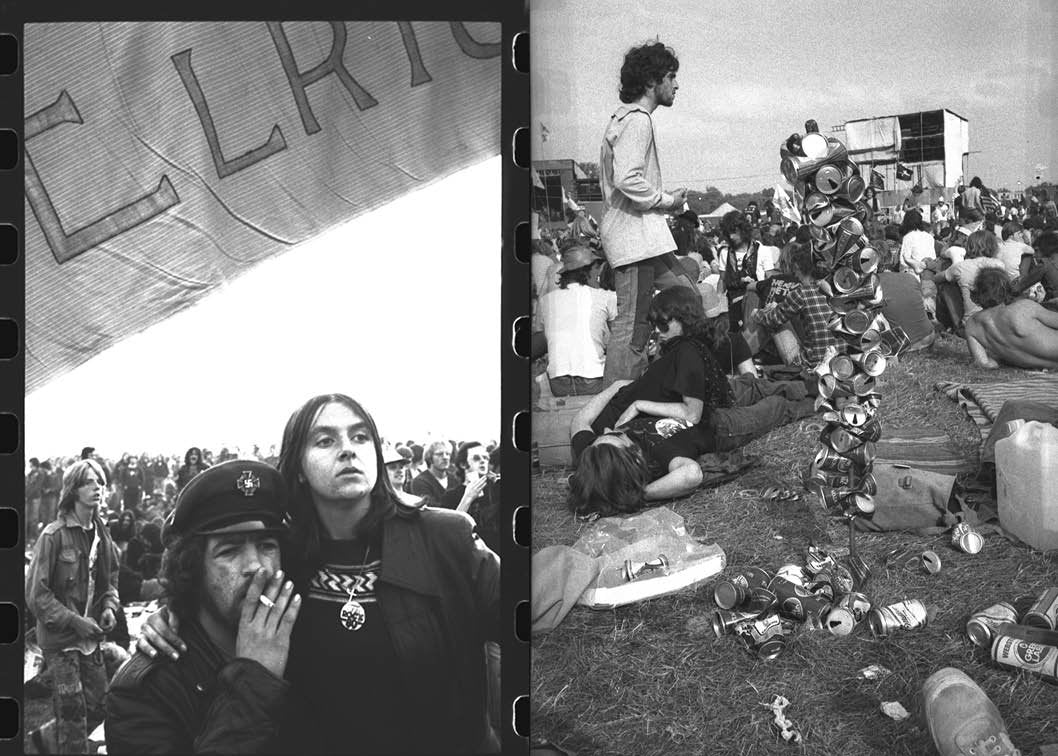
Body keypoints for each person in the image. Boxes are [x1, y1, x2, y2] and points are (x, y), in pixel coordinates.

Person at [139, 394, 501, 753]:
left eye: (360, 437)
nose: (348, 449)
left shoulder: (445, 539)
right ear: (297, 467)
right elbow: (224, 595)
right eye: (325, 441)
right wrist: (175, 613)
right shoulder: (285, 560)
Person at [106, 460, 300, 753]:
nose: (256, 566)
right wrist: (253, 682)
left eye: (267, 545)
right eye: (230, 550)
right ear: (193, 571)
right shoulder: (143, 693)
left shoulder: (307, 638)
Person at [567, 287, 814, 517]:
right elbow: (691, 474)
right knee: (774, 408)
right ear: (633, 457)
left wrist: (614, 388)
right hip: (719, 428)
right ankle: (818, 400)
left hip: (701, 406)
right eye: (616, 437)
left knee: (751, 387)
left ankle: (814, 384)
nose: (610, 429)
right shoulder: (658, 453)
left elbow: (579, 421)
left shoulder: (595, 454)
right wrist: (640, 494)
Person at [598, 40, 698, 384]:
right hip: (634, 237)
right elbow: (627, 179)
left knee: (689, 296)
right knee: (633, 324)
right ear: (652, 81)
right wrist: (668, 201)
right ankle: (613, 404)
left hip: (644, 237)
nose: (676, 84)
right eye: (671, 76)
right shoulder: (638, 120)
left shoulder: (626, 118)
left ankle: (681, 378)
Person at [25, 458, 120, 754]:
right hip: (61, 638)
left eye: (101, 482)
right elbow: (37, 596)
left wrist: (108, 607)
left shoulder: (102, 533)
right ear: (73, 489)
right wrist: (75, 621)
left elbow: (110, 578)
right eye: (90, 482)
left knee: (101, 704)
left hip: (90, 637)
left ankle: (43, 740)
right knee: (72, 709)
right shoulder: (52, 536)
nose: (98, 488)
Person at [533, 244, 617, 396]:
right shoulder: (605, 297)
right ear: (587, 271)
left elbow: (544, 338)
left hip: (557, 381)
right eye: (596, 267)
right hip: (593, 377)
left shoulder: (546, 301)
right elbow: (616, 339)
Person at [751, 242, 844, 368]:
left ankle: (745, 356)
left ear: (800, 269)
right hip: (842, 361)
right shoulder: (840, 290)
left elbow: (771, 320)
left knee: (774, 318)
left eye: (796, 272)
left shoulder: (801, 293)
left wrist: (756, 314)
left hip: (810, 365)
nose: (796, 276)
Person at [965, 269, 1058, 370]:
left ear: (976, 294)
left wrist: (1002, 357)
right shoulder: (1023, 307)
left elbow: (985, 363)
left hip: (1045, 367)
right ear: (1007, 289)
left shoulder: (972, 325)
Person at [934, 229, 1007, 326]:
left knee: (945, 284)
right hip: (996, 320)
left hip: (971, 324)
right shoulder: (1000, 265)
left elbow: (936, 278)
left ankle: (950, 323)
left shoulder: (961, 267)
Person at [720, 210, 778, 331]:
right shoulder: (725, 253)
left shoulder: (762, 250)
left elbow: (770, 280)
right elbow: (722, 281)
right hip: (733, 307)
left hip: (756, 304)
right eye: (728, 233)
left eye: (734, 232)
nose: (731, 237)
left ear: (743, 229)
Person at [409, 439, 455, 504]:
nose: (445, 457)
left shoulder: (455, 479)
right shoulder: (420, 481)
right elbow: (431, 510)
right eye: (439, 454)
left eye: (448, 454)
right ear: (429, 457)